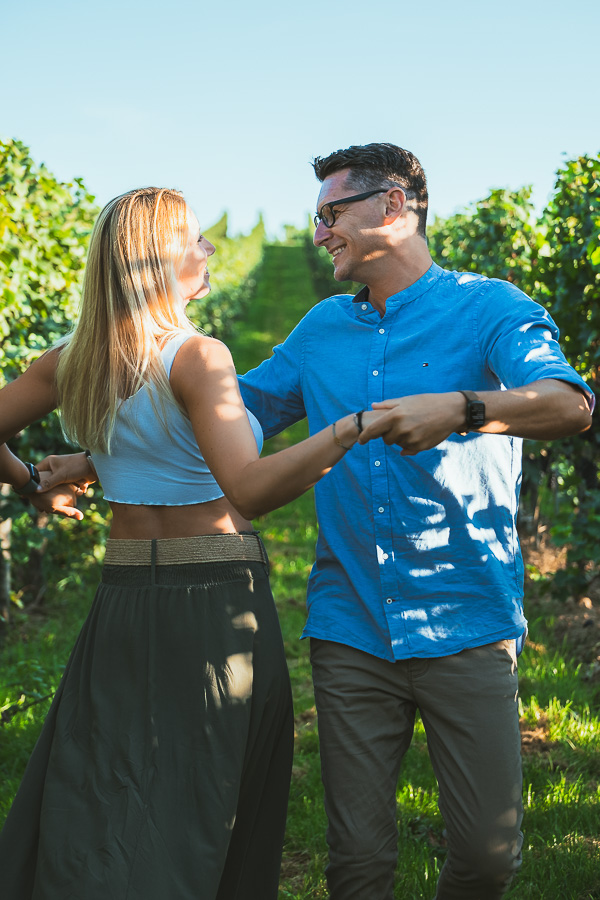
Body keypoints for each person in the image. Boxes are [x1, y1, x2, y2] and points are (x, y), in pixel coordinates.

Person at [34, 146, 594, 900]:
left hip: (465, 616)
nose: (319, 233)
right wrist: (98, 463)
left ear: (392, 208)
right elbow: (231, 419)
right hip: (350, 620)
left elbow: (570, 404)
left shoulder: (489, 308)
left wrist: (462, 409)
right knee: (357, 860)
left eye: (331, 214)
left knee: (488, 855)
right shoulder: (321, 329)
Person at [0, 185, 383, 900]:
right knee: (212, 793)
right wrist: (351, 428)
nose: (208, 250)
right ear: (157, 259)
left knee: (105, 785)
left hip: (120, 598)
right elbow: (252, 489)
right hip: (213, 600)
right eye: (196, 239)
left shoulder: (74, 358)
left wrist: (31, 482)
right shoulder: (197, 356)